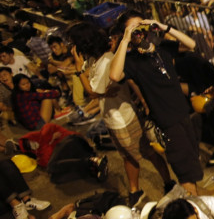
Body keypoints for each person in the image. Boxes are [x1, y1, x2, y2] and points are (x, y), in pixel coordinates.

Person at [65, 21, 174, 208]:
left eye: (73, 43)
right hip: (113, 118)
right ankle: (135, 190)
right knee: (128, 156)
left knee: (147, 153)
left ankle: (168, 184)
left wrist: (77, 68)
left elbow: (91, 92)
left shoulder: (107, 61)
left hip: (124, 119)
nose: (71, 47)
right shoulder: (95, 60)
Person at [109, 10, 207, 196]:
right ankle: (196, 214)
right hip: (168, 122)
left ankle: (195, 203)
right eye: (134, 30)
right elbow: (114, 75)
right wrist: (125, 40)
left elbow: (192, 44)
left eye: (142, 27)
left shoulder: (162, 47)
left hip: (184, 115)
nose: (140, 33)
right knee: (185, 173)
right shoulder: (131, 61)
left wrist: (163, 26)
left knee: (191, 165)